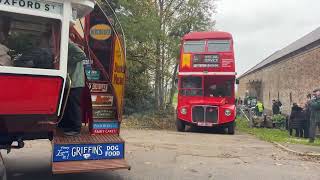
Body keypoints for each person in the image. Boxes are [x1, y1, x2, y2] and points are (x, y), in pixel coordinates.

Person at [58, 41, 86, 136]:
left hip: (75, 82)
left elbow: (82, 54)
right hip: (70, 81)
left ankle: (76, 129)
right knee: (68, 105)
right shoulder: (66, 45)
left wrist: (67, 60)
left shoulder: (69, 44)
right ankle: (68, 125)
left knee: (74, 106)